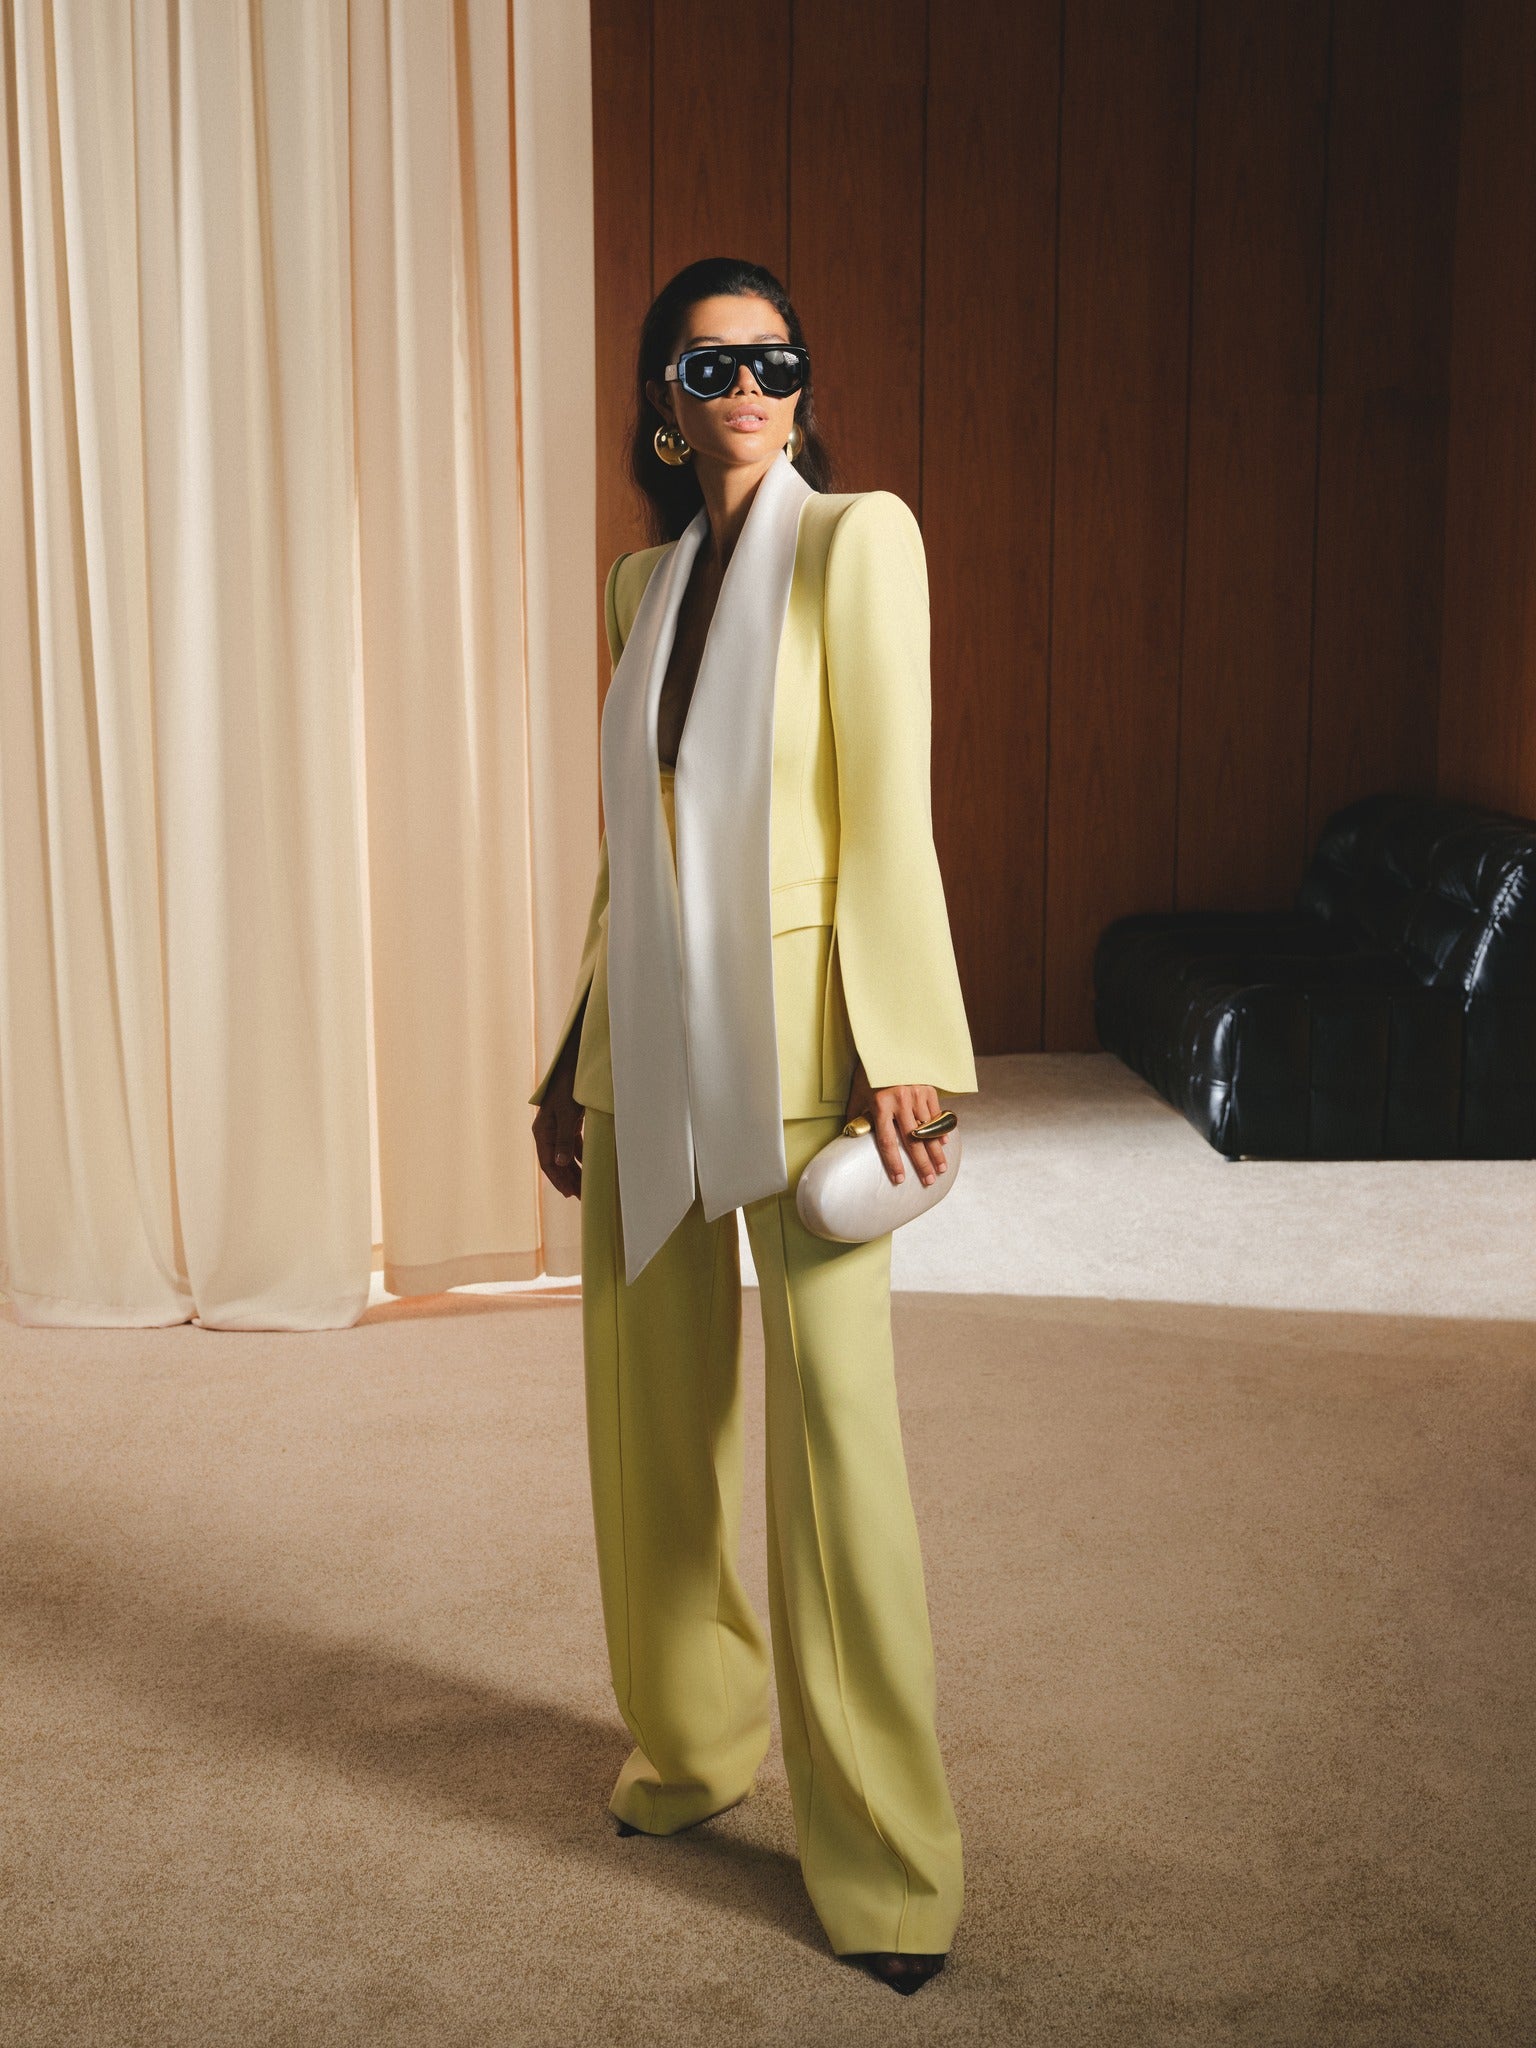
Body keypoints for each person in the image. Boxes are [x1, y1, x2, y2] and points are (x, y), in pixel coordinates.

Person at [529, 256, 977, 1996]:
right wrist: (570, 1051)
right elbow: (626, 844)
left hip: (803, 1043)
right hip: (643, 1037)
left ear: (805, 384)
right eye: (713, 366)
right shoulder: (642, 577)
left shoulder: (863, 540)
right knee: (647, 1433)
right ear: (662, 396)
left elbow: (889, 794)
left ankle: (883, 1862)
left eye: (777, 359)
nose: (749, 387)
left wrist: (906, 1043)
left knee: (832, 1446)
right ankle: (694, 1748)